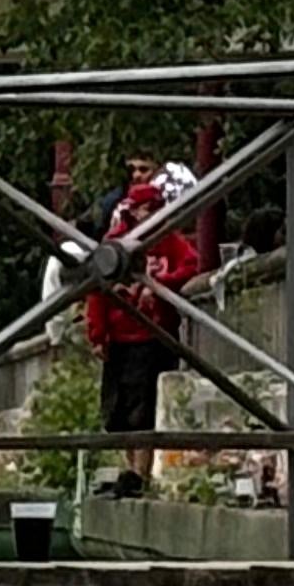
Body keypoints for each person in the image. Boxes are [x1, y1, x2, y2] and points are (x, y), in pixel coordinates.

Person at [83, 158, 205, 497]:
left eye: (149, 209)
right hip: (122, 338)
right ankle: (130, 470)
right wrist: (98, 333)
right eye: (139, 209)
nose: (143, 216)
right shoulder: (117, 243)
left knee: (145, 408)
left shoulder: (168, 240)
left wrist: (160, 283)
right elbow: (97, 290)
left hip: (153, 337)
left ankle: (141, 473)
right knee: (119, 410)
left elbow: (190, 264)